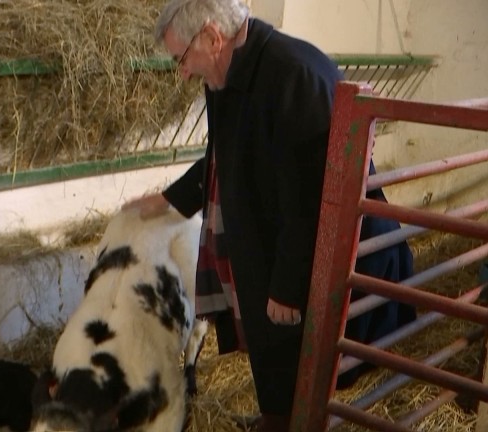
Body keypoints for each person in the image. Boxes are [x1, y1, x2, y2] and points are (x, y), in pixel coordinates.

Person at [123, 1, 417, 431]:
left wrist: (287, 285)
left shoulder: (293, 76)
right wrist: (171, 199)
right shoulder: (229, 73)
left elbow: (314, 195)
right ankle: (281, 415)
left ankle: (291, 420)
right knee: (273, 342)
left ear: (211, 36)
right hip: (275, 239)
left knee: (305, 347)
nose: (182, 72)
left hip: (330, 251)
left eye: (181, 58)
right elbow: (223, 152)